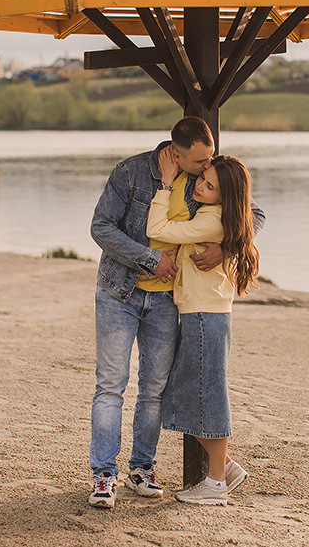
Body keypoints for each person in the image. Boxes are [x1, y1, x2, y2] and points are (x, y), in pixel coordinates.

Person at [88, 116, 224, 509]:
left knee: (154, 390)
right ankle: (103, 476)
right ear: (176, 154)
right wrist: (150, 260)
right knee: (111, 384)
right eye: (201, 160)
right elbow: (101, 227)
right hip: (119, 293)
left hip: (167, 301)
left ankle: (141, 468)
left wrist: (226, 248)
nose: (207, 166)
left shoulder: (208, 180)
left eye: (210, 157)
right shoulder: (130, 172)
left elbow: (255, 215)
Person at [146, 151, 259, 506]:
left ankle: (215, 483)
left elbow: (156, 229)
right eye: (202, 177)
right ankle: (224, 467)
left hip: (204, 316)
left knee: (208, 394)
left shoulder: (212, 221)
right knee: (184, 395)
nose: (200, 185)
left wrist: (165, 184)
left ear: (225, 196)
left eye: (209, 186)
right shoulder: (216, 215)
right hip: (200, 313)